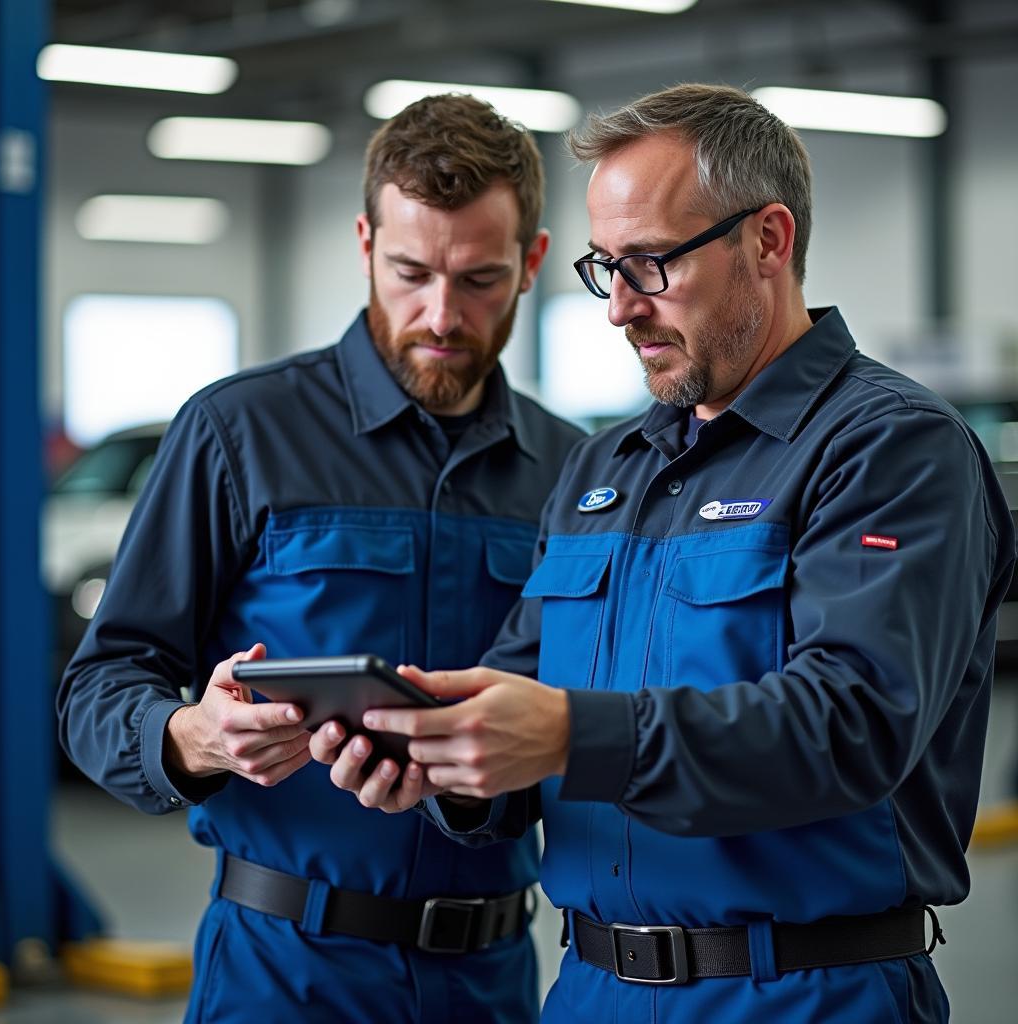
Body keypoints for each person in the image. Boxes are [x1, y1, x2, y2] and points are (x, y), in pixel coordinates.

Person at [316, 84, 1017, 1023]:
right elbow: (519, 696)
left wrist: (569, 732)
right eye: (607, 268)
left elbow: (853, 724)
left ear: (768, 240)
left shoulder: (890, 450)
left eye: (651, 265)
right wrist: (442, 760)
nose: (619, 310)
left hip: (803, 994)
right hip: (588, 991)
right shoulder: (605, 468)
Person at [57, 94, 583, 1024]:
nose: (442, 314)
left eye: (480, 280)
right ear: (364, 242)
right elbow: (101, 687)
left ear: (533, 263)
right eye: (411, 271)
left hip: (493, 981)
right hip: (284, 977)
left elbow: (577, 720)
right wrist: (196, 737)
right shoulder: (237, 433)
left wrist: (468, 788)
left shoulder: (574, 473)